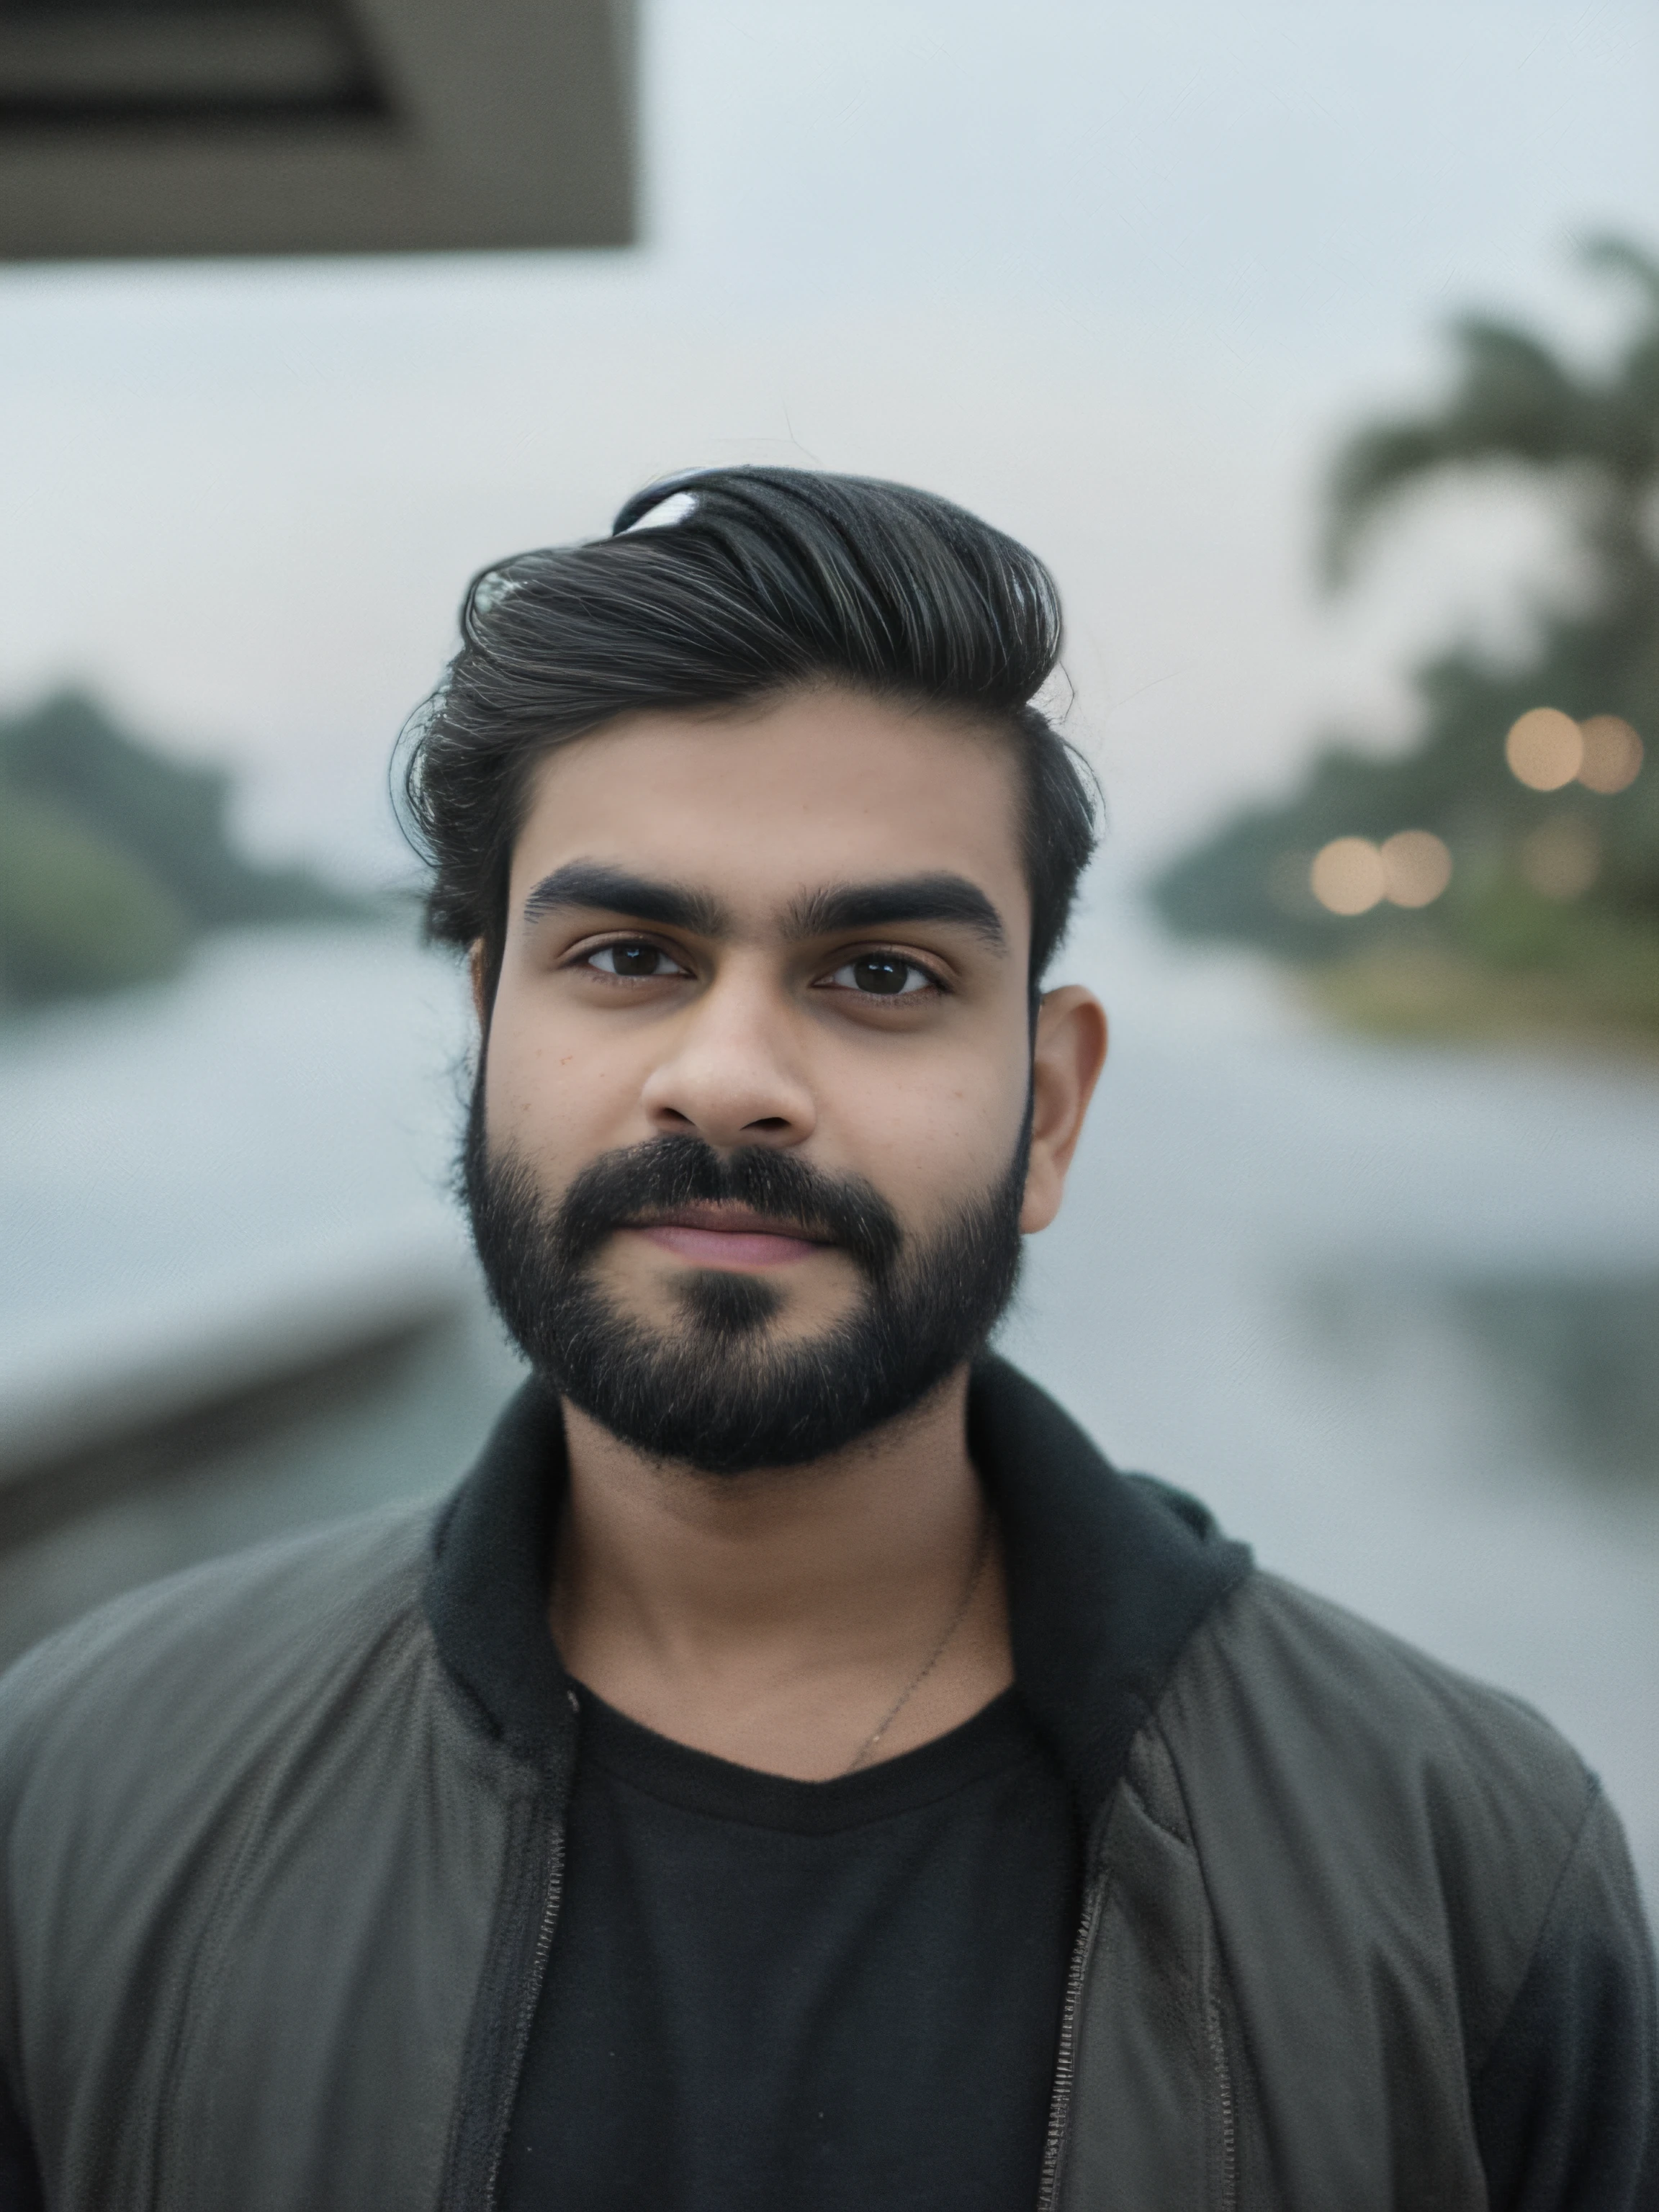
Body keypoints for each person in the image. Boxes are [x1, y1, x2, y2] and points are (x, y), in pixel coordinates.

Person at [0, 467, 1653, 2212]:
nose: (728, 1078)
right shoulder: (88, 1800)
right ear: (488, 1030)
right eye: (632, 953)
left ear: (1053, 1104)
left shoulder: (1462, 1869)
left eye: (881, 976)